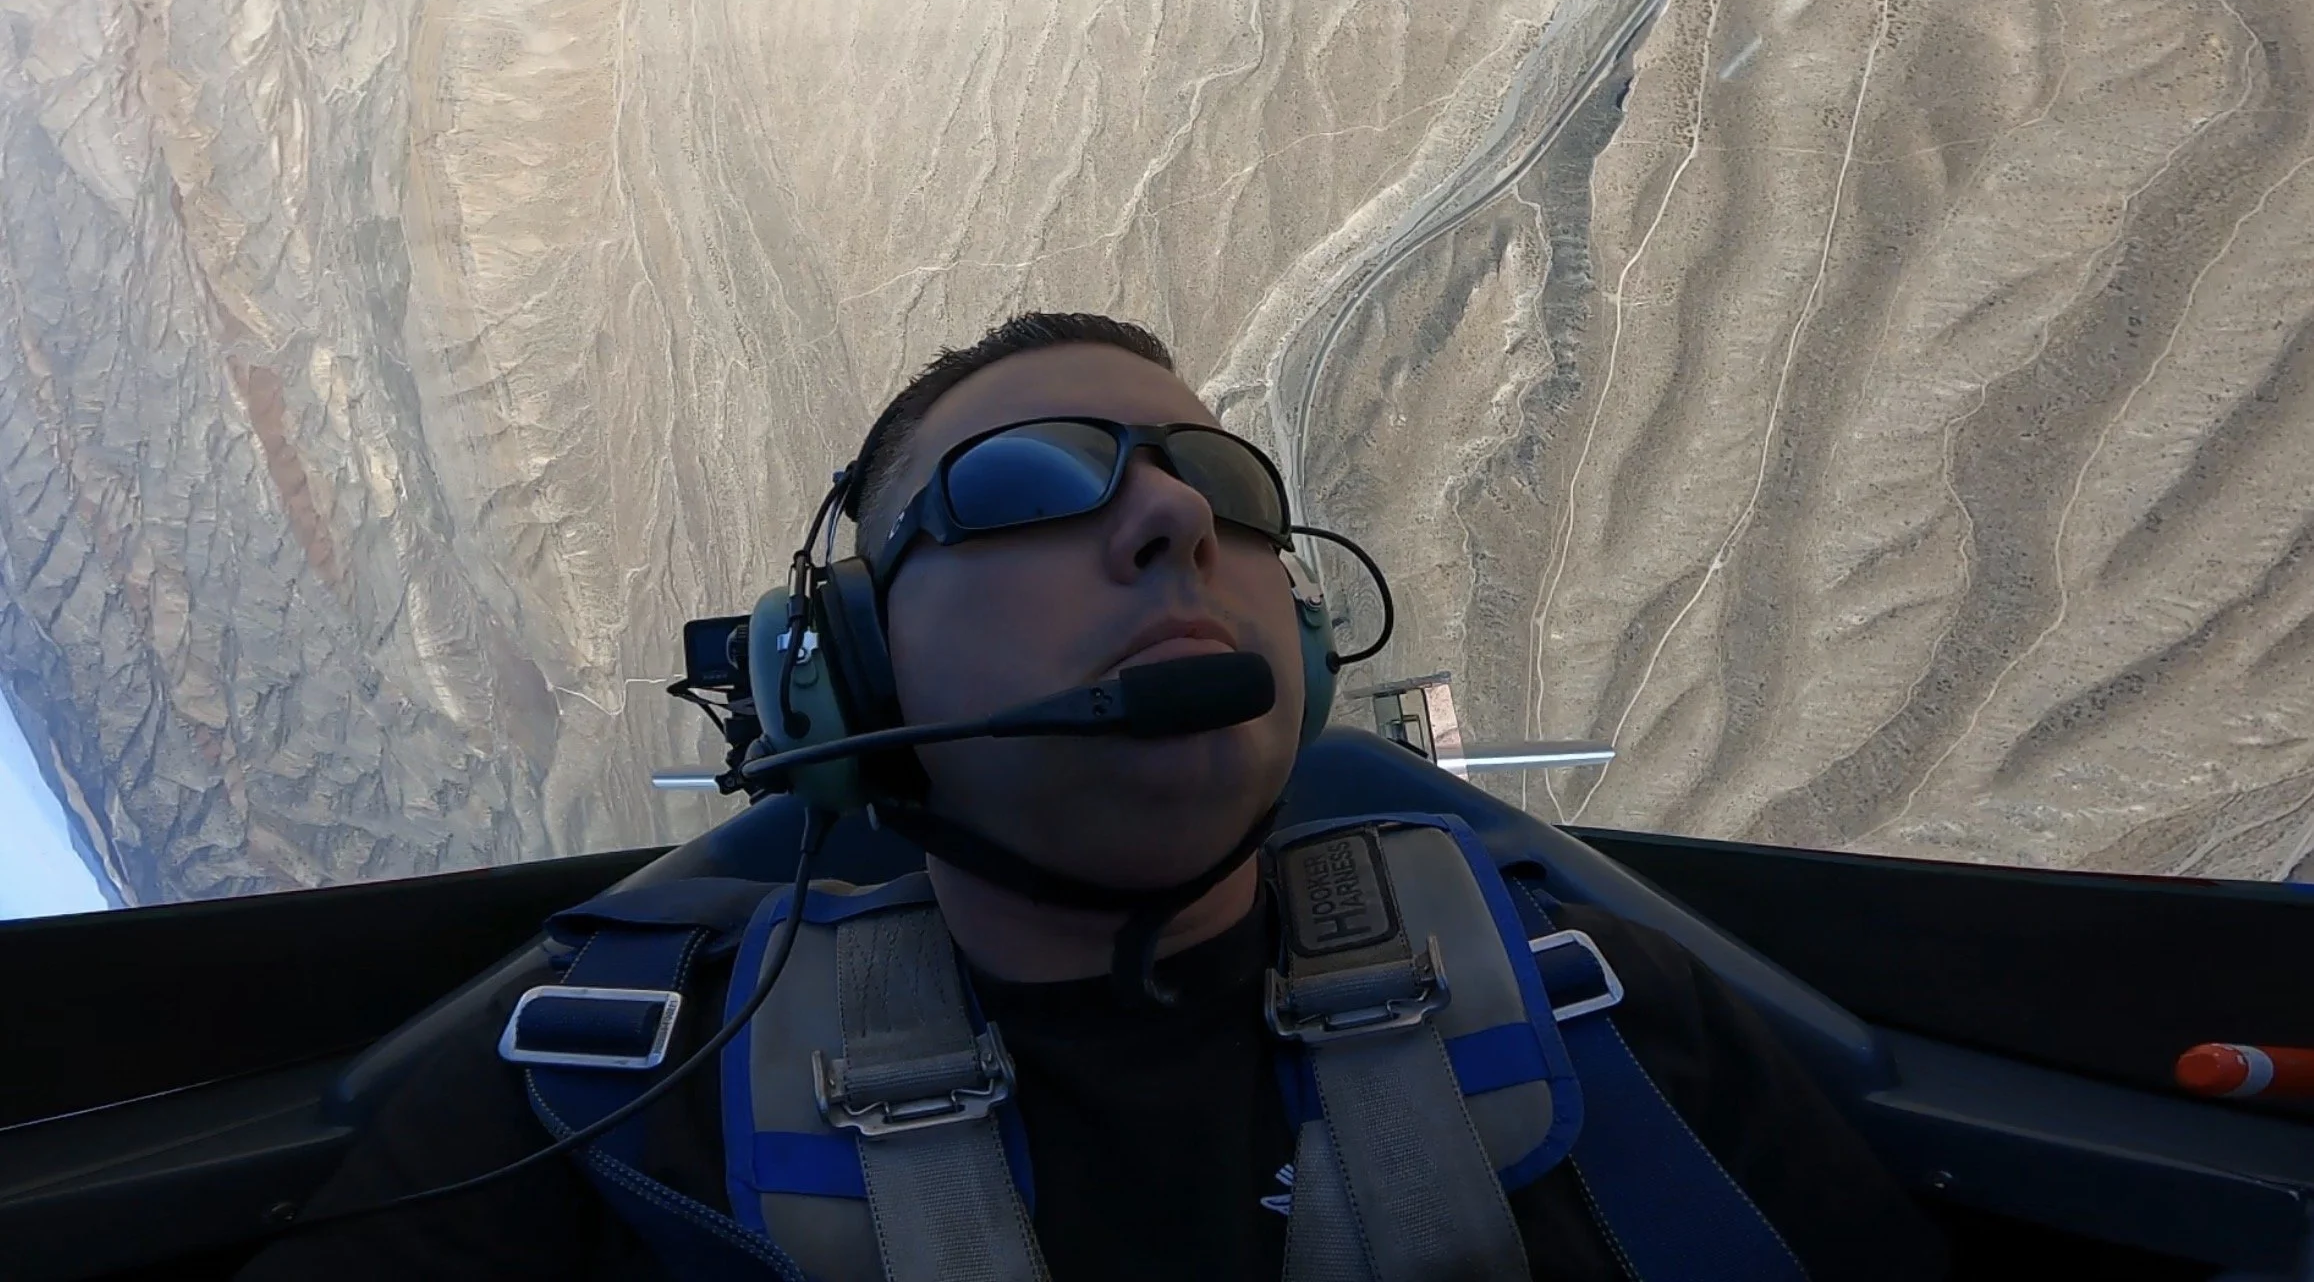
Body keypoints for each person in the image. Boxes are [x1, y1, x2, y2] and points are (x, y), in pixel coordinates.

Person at [238, 312, 1948, 1281]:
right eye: (1026, 484)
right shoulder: (602, 1104)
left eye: (1216, 483)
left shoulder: (1605, 1022)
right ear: (846, 666)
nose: (1171, 523)